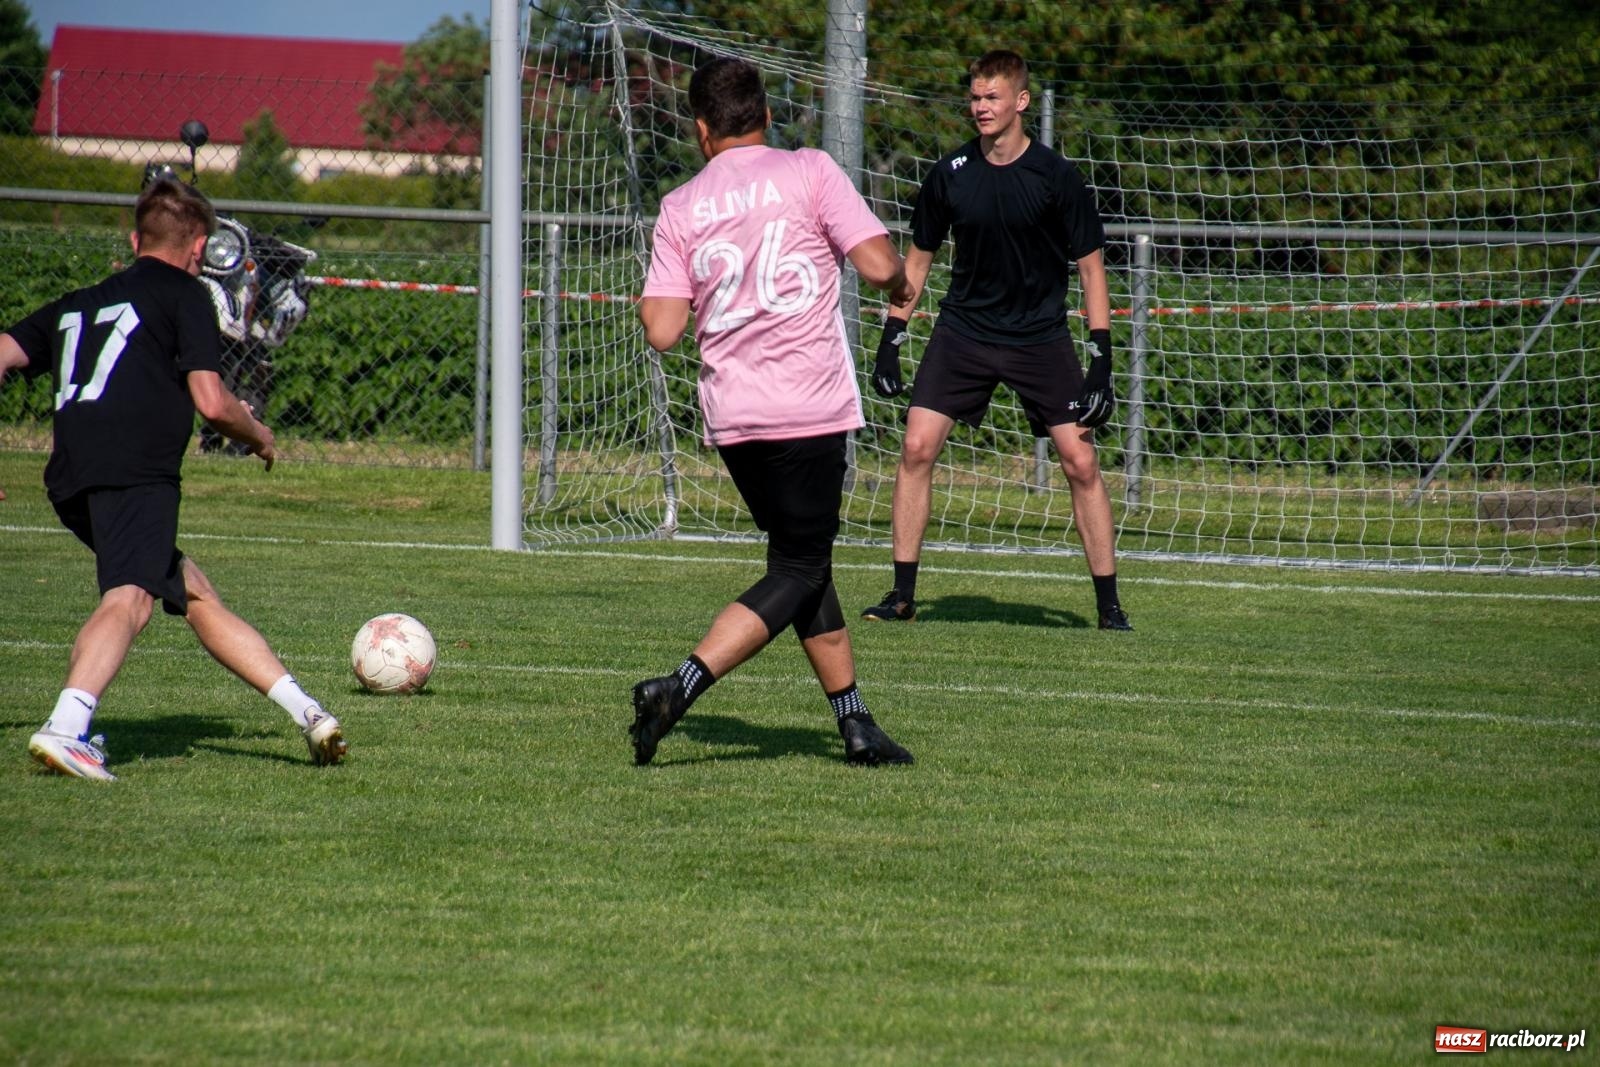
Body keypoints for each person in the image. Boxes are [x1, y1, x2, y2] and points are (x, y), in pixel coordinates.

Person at [0, 178, 346, 781]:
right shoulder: (188, 296)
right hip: (135, 470)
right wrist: (259, 434)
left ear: (135, 239)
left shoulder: (79, 302)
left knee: (193, 591)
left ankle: (310, 714)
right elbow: (212, 403)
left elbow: (3, 351)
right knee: (130, 598)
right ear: (199, 248)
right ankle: (66, 728)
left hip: (73, 475)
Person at [631, 56, 916, 767]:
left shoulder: (680, 205)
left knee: (803, 560)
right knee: (796, 566)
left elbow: (662, 330)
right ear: (765, 114)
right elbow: (881, 266)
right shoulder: (809, 170)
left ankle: (856, 723)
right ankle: (680, 685)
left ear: (702, 131)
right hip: (808, 408)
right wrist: (903, 273)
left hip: (734, 418)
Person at [862, 49, 1132, 631]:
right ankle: (902, 596)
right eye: (975, 97)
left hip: (1041, 338)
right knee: (915, 449)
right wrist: (891, 336)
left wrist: (1101, 356)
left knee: (1080, 461)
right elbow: (917, 263)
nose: (981, 107)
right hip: (964, 333)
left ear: (1020, 102)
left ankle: (1110, 608)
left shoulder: (1058, 177)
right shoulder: (949, 174)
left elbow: (1091, 271)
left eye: (992, 98)